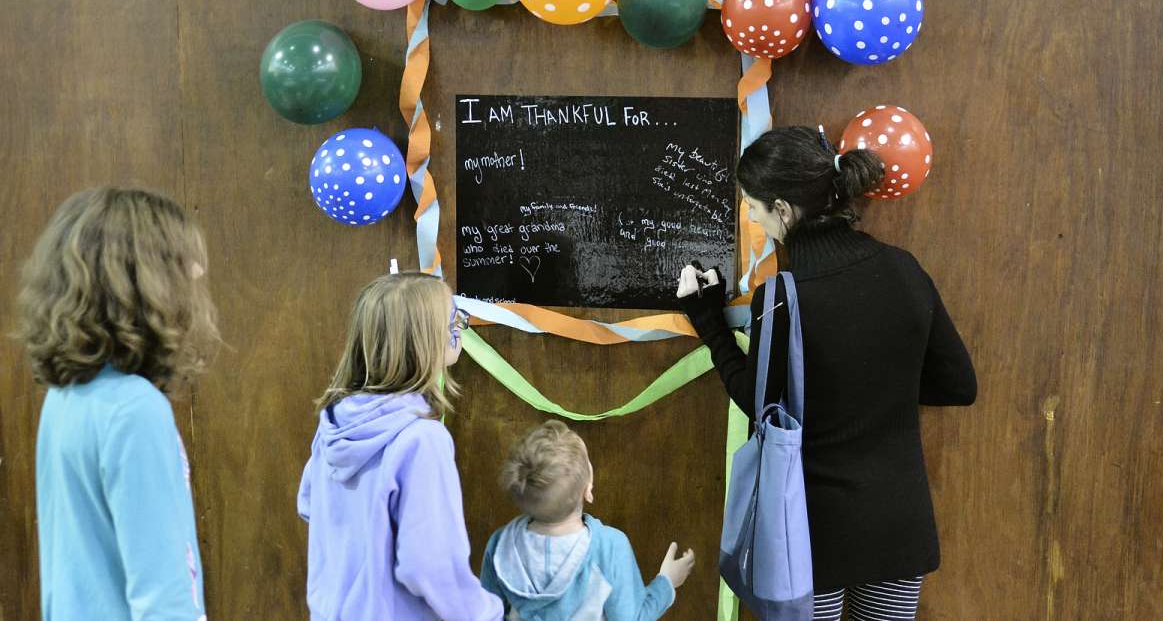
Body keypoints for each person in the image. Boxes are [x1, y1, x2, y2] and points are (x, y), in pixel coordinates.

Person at [677, 126, 977, 620]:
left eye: (752, 206)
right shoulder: (904, 268)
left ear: (782, 210)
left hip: (812, 532)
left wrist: (708, 321)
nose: (750, 217)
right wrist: (880, 383)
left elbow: (757, 405)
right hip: (897, 525)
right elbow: (959, 386)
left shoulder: (782, 299)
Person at [18, 187, 218, 621]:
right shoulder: (134, 409)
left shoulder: (65, 397)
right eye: (181, 261)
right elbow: (164, 599)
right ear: (143, 280)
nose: (198, 272)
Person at [298, 272, 502, 620]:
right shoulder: (423, 440)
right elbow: (429, 564)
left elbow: (309, 506)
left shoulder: (333, 423)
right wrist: (486, 612)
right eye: (454, 319)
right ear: (429, 339)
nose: (460, 326)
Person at [480, 420, 695, 620]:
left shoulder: (501, 545)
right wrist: (667, 582)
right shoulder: (610, 547)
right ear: (588, 489)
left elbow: (487, 614)